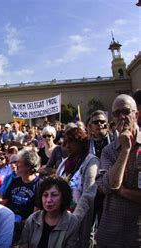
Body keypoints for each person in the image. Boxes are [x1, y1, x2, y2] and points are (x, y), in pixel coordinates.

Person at [96, 94, 141, 247]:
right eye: (116, 114)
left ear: (136, 115)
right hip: (110, 233)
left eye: (126, 111)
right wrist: (125, 151)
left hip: (136, 235)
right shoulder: (108, 151)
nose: (121, 117)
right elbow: (108, 186)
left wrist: (123, 192)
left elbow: (116, 189)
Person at [56, 127, 99, 248]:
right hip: (59, 216)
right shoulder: (65, 162)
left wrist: (73, 220)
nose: (67, 146)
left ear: (80, 142)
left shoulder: (91, 162)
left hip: (78, 220)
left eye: (71, 142)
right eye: (66, 142)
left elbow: (88, 194)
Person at [19, 176, 79, 248]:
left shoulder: (72, 222)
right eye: (45, 195)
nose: (48, 200)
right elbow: (23, 245)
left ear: (64, 197)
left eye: (54, 195)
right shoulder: (32, 219)